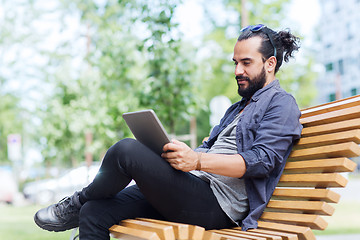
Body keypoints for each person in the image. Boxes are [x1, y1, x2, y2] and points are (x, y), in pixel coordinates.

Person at [34, 24, 303, 239]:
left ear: (270, 63)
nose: (237, 70)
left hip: (218, 205)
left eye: (246, 62)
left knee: (126, 150)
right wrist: (178, 155)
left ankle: (75, 202)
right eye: (235, 62)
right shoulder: (237, 108)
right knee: (95, 211)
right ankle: (83, 205)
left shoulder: (282, 104)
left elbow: (263, 161)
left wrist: (197, 161)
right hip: (193, 186)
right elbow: (209, 147)